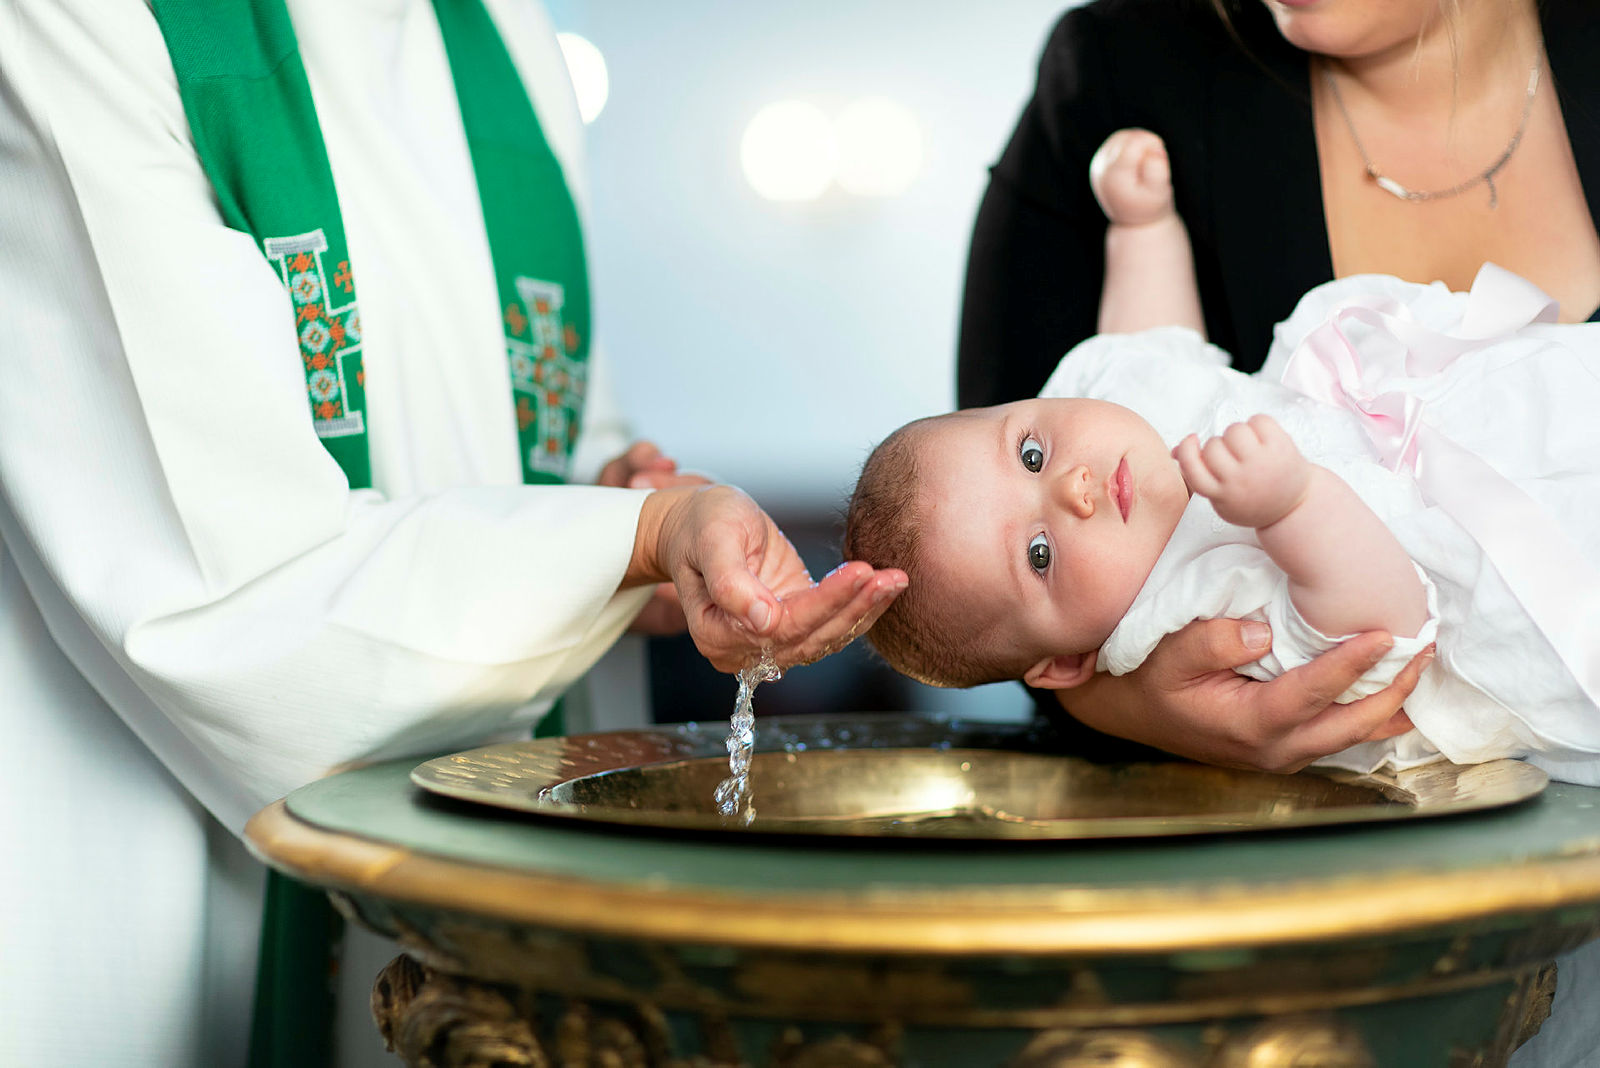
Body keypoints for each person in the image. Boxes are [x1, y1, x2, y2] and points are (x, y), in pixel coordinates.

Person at [0, 1, 905, 1065]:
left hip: (496, 849)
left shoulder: (504, 30)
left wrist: (634, 536)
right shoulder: (82, 21)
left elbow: (552, 420)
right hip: (183, 859)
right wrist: (627, 538)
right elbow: (222, 597)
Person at [957, 0, 1600, 775]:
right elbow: (986, 604)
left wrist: (1144, 231)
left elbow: (1149, 357)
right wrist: (1129, 703)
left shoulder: (1140, 428)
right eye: (1040, 546)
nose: (1075, 490)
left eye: (1035, 456)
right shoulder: (1118, 72)